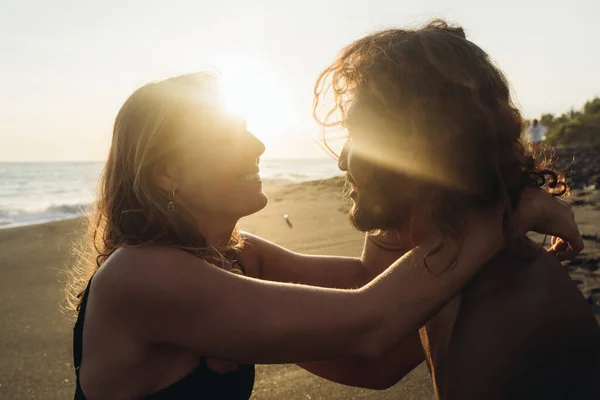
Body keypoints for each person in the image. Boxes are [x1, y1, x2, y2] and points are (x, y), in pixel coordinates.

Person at [67, 72, 582, 400]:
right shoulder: (140, 277)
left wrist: (393, 184)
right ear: (165, 174)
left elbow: (374, 323)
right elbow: (370, 324)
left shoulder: (236, 260)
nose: (258, 144)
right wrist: (507, 214)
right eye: (227, 135)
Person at [250, 19, 596, 399]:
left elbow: (370, 343)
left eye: (361, 135)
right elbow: (372, 289)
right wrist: (250, 259)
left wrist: (230, 325)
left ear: (424, 151)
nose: (342, 160)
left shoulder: (499, 321)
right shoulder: (456, 266)